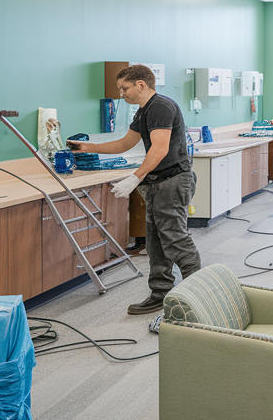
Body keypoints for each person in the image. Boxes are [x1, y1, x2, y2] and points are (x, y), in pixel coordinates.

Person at [70, 64, 200, 315]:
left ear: (140, 85)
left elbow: (160, 148)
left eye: (124, 88)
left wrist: (136, 177)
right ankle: (161, 294)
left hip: (172, 181)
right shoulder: (143, 112)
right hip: (157, 184)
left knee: (175, 240)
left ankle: (199, 294)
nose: (121, 93)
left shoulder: (161, 106)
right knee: (155, 244)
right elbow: (124, 144)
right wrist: (86, 147)